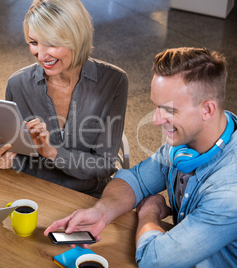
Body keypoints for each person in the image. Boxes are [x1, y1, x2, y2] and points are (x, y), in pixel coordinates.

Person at [45, 47, 237, 267]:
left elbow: (155, 261)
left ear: (208, 110)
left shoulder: (230, 192)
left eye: (169, 110)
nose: (155, 120)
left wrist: (149, 212)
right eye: (156, 107)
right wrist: (102, 211)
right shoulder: (188, 141)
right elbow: (134, 179)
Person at [0, 0, 128, 198]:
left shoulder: (113, 81)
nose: (41, 56)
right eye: (34, 43)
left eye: (52, 44)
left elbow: (104, 165)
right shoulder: (17, 84)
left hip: (88, 197)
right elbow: (20, 161)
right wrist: (5, 160)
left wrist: (52, 152)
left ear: (76, 38)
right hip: (33, 195)